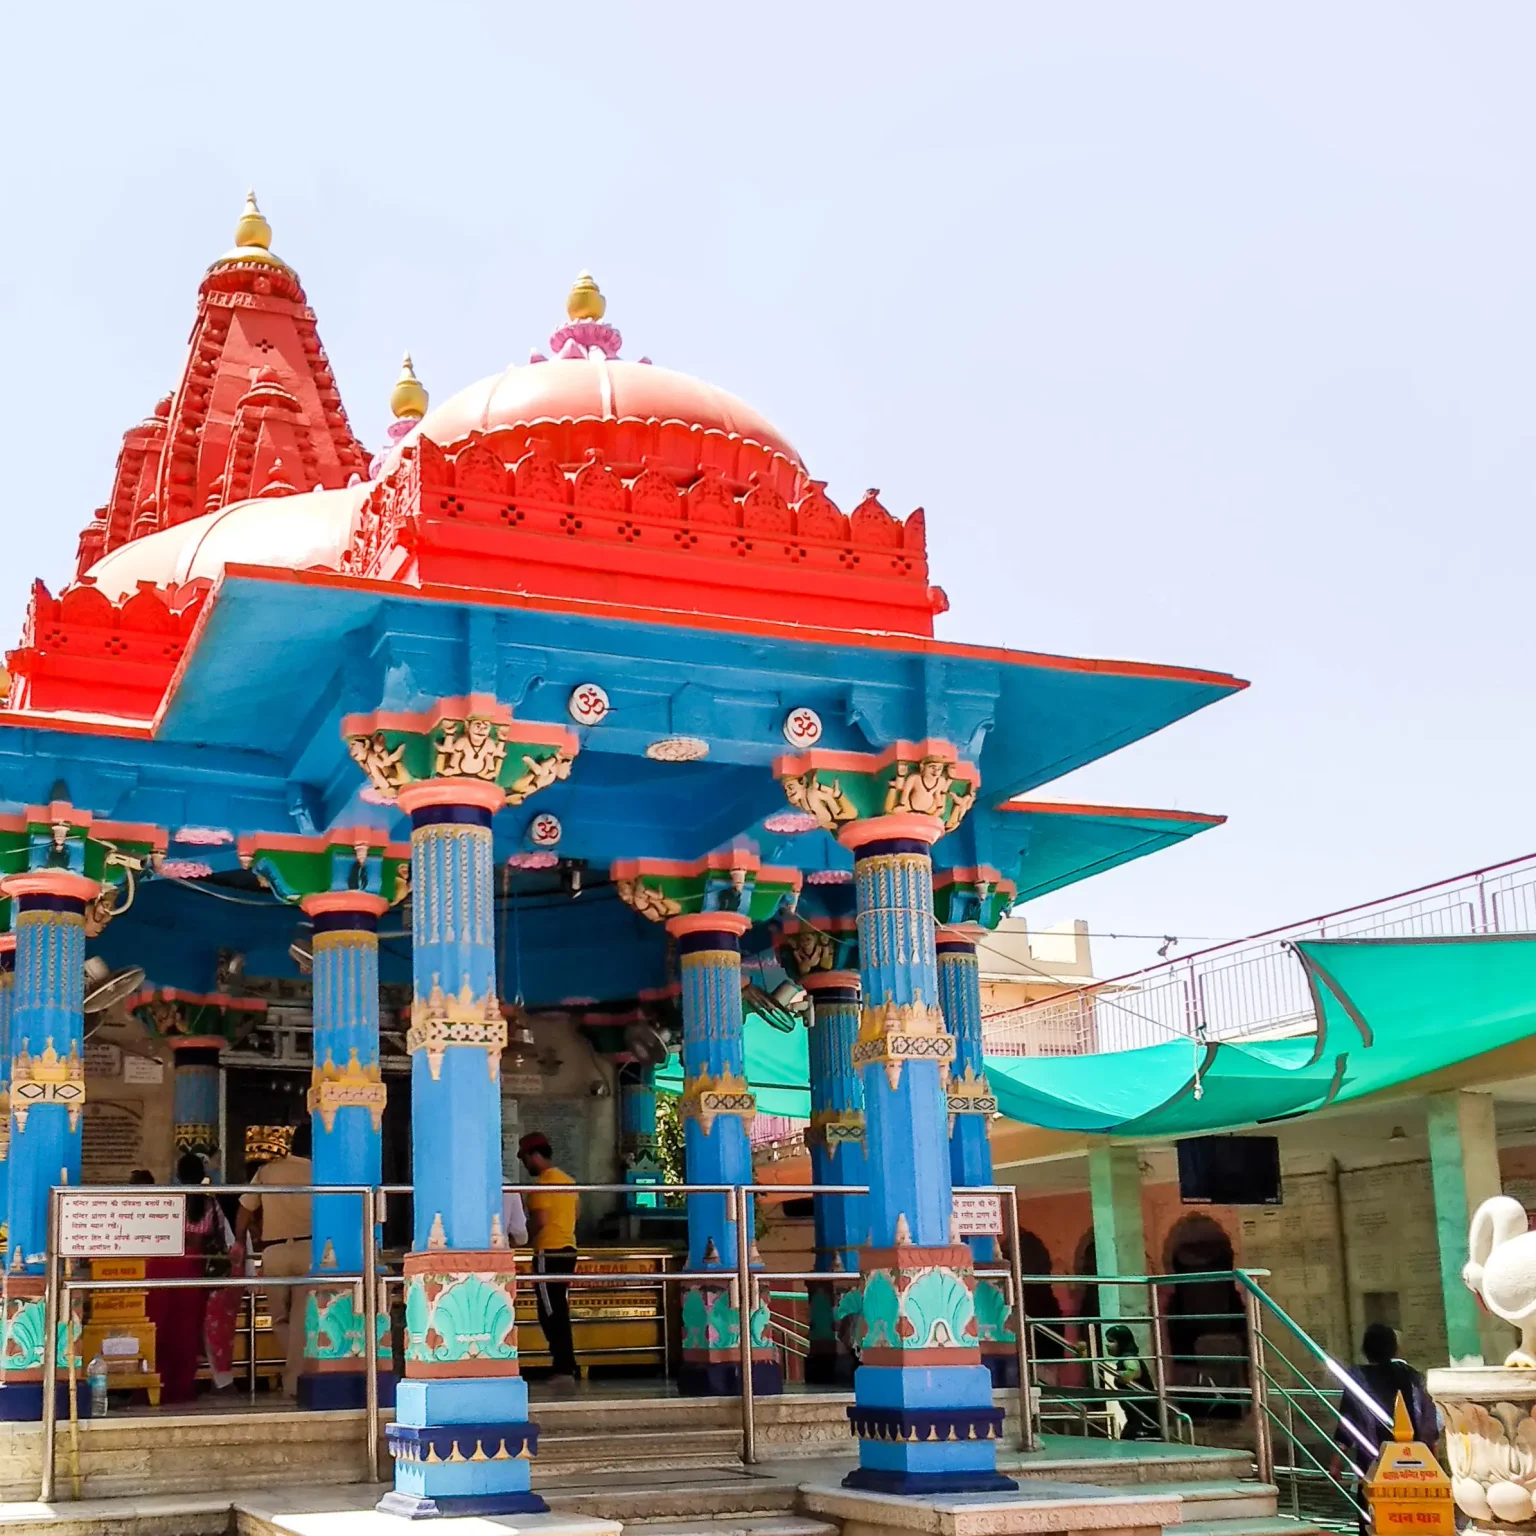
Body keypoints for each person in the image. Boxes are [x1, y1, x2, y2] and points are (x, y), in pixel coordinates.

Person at [232, 1123, 313, 1400]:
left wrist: (240, 1241)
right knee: (301, 1321)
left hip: (274, 1252)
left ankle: (292, 1379)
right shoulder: (320, 1171)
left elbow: (245, 1208)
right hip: (309, 1249)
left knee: (278, 1319)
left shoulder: (268, 1171)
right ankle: (296, 1377)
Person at [1334, 1324, 1437, 1494]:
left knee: (1374, 1508)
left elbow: (1347, 1422)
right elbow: (1428, 1418)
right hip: (1414, 1461)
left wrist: (1337, 1460)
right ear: (1394, 1348)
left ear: (1365, 1350)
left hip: (1373, 1458)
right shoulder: (1412, 1375)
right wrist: (1431, 1453)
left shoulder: (1359, 1378)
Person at [518, 1133, 579, 1388]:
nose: (524, 1165)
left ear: (534, 1156)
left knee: (550, 1312)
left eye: (524, 1159)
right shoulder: (569, 1181)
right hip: (568, 1250)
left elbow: (540, 1221)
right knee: (559, 1309)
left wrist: (521, 1241)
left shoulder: (541, 1185)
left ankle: (564, 1366)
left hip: (547, 1252)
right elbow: (577, 1215)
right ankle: (567, 1364)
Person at [1104, 1324, 1158, 1440]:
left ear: (1122, 1342)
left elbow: (1133, 1371)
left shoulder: (1129, 1358)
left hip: (1143, 1419)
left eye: (1112, 1341)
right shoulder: (1126, 1358)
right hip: (1136, 1416)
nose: (1107, 1345)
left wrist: (1121, 1375)